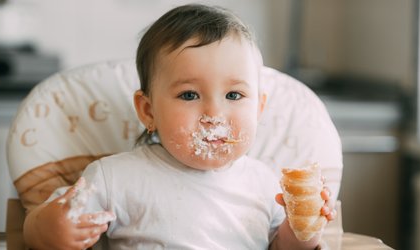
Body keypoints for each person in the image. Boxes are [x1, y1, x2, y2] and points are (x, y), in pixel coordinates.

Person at [23, 4, 335, 250]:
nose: (214, 113)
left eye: (234, 95)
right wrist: (50, 230)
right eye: (189, 95)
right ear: (149, 111)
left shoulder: (265, 184)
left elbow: (285, 248)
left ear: (259, 108)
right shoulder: (114, 178)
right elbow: (39, 228)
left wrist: (302, 227)